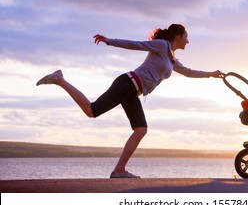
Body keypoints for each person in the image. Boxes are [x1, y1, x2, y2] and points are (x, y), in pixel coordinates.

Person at [36, 23, 225, 178]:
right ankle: (59, 79)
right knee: (91, 111)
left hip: (132, 91)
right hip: (127, 84)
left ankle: (119, 170)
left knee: (141, 129)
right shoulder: (161, 46)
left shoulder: (172, 60)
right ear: (178, 36)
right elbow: (136, 44)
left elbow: (189, 72)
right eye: (186, 36)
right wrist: (110, 41)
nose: (188, 40)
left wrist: (211, 74)